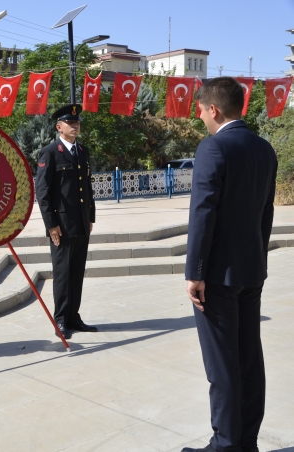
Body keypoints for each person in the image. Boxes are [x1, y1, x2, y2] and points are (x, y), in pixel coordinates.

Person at [182, 77, 278, 452]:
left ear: (214, 110)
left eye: (202, 111)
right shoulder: (264, 149)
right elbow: (264, 214)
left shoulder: (214, 147)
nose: (202, 118)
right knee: (248, 359)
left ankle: (225, 444)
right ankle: (246, 442)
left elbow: (202, 213)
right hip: (251, 269)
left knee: (222, 364)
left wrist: (195, 272)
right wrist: (257, 255)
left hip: (217, 277)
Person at [35, 104, 97, 340]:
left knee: (77, 272)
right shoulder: (50, 152)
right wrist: (51, 225)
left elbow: (87, 188)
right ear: (59, 127)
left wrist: (90, 216)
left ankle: (73, 316)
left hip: (81, 223)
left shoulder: (82, 151)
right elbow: (43, 192)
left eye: (77, 122)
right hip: (61, 225)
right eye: (70, 123)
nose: (75, 126)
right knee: (62, 274)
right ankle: (60, 319)